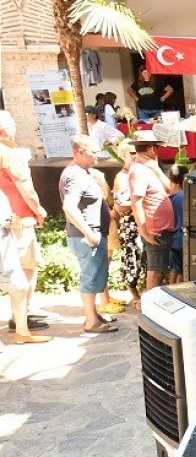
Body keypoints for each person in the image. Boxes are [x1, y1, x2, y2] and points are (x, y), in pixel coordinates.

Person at [0, 110, 51, 343]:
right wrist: (39, 210)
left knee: (21, 269)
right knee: (21, 271)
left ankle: (22, 317)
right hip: (16, 219)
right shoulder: (8, 153)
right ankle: (20, 320)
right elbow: (25, 187)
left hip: (11, 218)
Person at [60, 135, 117, 333]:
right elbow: (69, 206)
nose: (97, 157)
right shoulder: (75, 175)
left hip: (92, 233)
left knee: (94, 276)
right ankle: (91, 321)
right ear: (79, 152)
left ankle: (94, 315)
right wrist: (88, 232)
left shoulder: (82, 172)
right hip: (87, 236)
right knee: (90, 277)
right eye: (93, 153)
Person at [128, 130, 176, 291]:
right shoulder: (139, 170)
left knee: (159, 270)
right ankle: (150, 307)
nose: (158, 151)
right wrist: (145, 231)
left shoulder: (149, 168)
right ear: (150, 148)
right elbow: (136, 201)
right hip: (155, 229)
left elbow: (170, 188)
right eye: (156, 147)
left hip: (161, 227)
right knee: (155, 272)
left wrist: (156, 169)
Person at [112, 139, 144, 308]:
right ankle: (134, 292)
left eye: (136, 152)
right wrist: (138, 202)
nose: (135, 156)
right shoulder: (121, 177)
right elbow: (119, 206)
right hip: (130, 223)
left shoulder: (139, 172)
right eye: (131, 153)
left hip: (143, 220)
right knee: (132, 257)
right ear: (123, 154)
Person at [166, 164, 187, 284]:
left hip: (172, 238)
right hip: (181, 238)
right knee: (183, 272)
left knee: (175, 269)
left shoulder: (169, 196)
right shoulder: (184, 196)